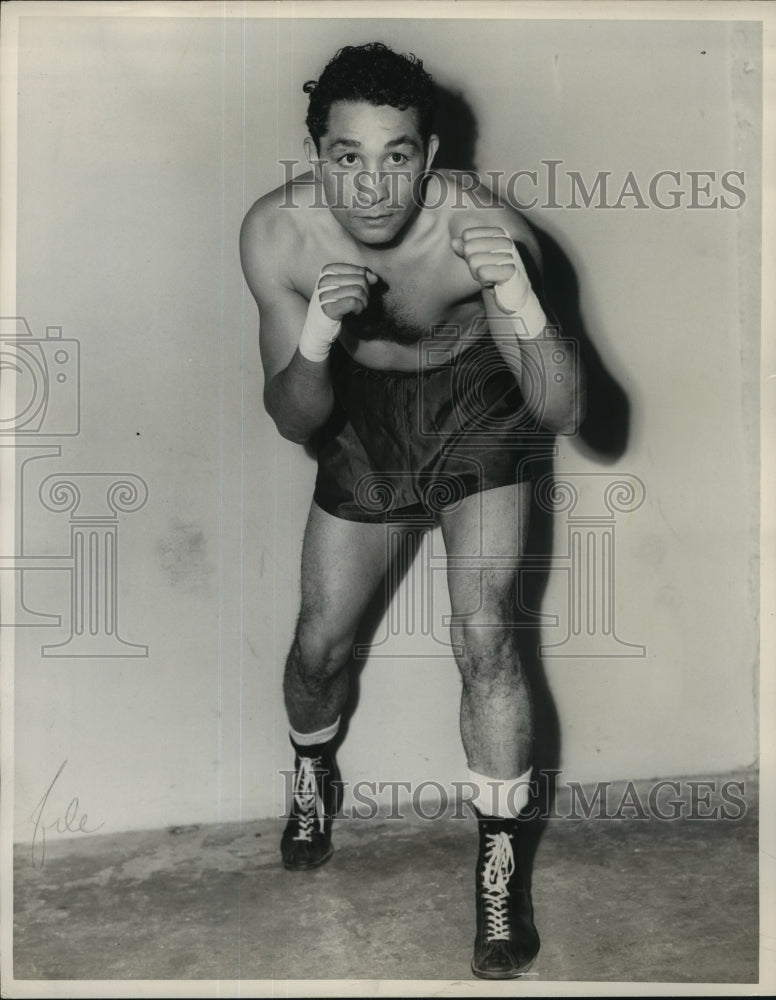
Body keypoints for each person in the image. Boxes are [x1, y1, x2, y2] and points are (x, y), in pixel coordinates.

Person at [240, 41, 584, 980]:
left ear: (429, 158)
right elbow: (291, 419)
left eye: (398, 155)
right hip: (365, 421)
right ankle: (314, 769)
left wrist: (514, 292)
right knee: (320, 646)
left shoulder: (489, 231)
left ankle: (500, 871)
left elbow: (564, 410)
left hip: (483, 409)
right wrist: (315, 337)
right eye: (348, 156)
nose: (373, 184)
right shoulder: (278, 236)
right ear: (316, 155)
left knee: (487, 641)